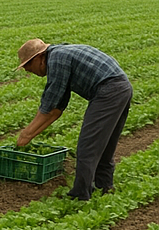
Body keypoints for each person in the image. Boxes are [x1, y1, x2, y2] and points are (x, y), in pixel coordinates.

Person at [16, 38, 133, 201]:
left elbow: (50, 103)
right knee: (104, 145)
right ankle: (105, 187)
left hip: (108, 90)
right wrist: (30, 134)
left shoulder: (57, 59)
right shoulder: (60, 54)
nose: (28, 70)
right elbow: (56, 109)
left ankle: (80, 195)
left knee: (88, 145)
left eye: (28, 65)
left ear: (39, 57)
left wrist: (25, 135)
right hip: (122, 87)